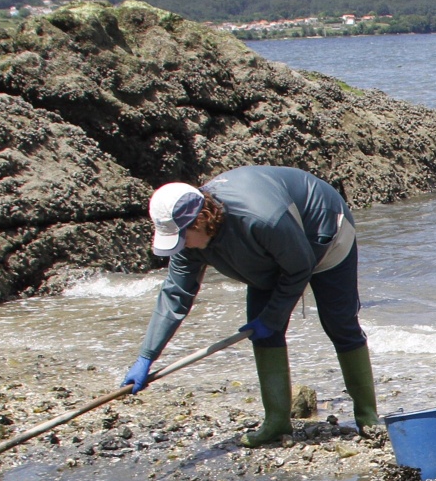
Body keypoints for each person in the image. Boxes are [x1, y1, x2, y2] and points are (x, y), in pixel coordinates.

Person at [123, 166, 381, 446]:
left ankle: (367, 417)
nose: (179, 247)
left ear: (200, 221)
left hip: (324, 227)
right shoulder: (189, 243)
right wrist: (147, 356)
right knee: (263, 332)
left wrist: (273, 316)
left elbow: (299, 267)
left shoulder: (262, 219)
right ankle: (277, 422)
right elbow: (175, 294)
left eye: (180, 239)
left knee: (339, 322)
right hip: (270, 251)